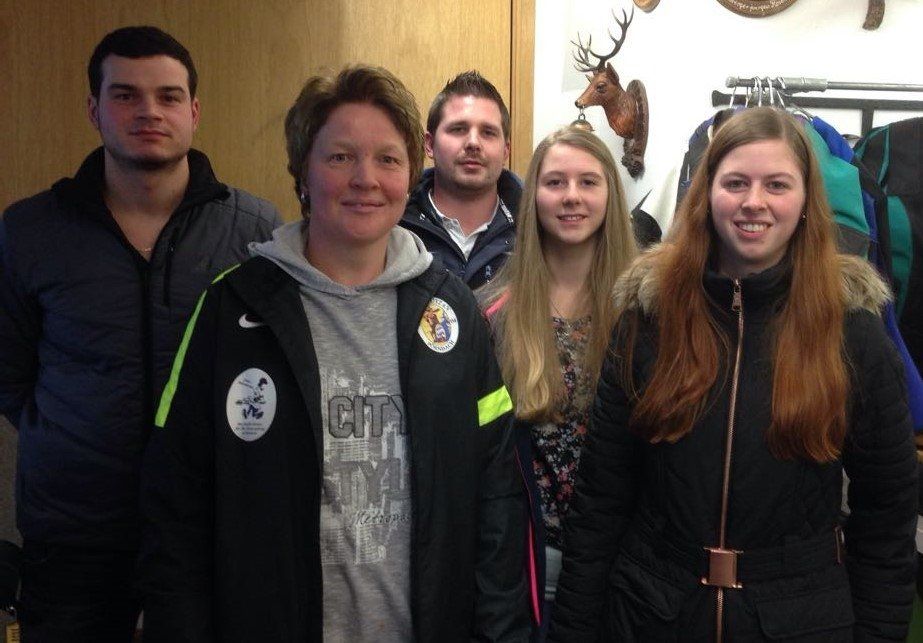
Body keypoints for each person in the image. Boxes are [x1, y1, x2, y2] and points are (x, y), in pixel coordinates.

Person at [138, 64, 529, 642]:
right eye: (341, 157)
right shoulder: (230, 309)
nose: (365, 179)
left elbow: (496, 490)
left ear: (409, 174)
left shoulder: (451, 310)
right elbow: (176, 500)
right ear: (302, 172)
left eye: (388, 159)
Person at [549, 107, 918, 641]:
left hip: (799, 622)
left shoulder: (852, 333)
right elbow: (602, 499)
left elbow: (887, 516)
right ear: (706, 195)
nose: (754, 202)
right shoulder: (648, 321)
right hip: (653, 615)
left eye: (777, 185)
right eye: (736, 183)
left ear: (806, 202)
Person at [0, 26, 281, 642]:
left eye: (168, 96)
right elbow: (11, 374)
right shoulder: (29, 231)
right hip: (72, 534)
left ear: (194, 112)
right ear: (93, 109)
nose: (149, 111)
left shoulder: (255, 230)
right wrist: (66, 437)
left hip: (209, 527)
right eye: (125, 95)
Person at [479, 126, 637, 638]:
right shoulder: (492, 316)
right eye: (555, 182)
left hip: (625, 573)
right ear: (534, 198)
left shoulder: (647, 313)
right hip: (526, 571)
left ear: (610, 195)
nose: (571, 196)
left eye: (588, 182)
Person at [400, 71, 520, 289]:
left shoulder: (535, 228)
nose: (473, 143)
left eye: (488, 132)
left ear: (506, 150)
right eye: (458, 129)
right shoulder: (394, 224)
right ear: (429, 144)